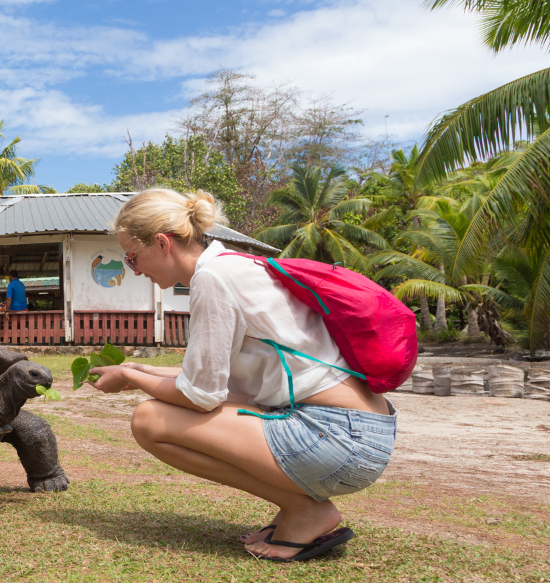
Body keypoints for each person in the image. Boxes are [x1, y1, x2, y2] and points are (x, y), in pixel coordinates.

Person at [88, 188, 396, 563]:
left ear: (162, 243)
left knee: (149, 419)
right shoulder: (233, 266)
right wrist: (136, 368)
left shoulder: (213, 279)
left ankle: (304, 510)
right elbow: (216, 385)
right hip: (359, 433)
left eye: (132, 257)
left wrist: (131, 380)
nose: (134, 270)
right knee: (158, 411)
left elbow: (200, 396)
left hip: (335, 438)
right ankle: (297, 507)